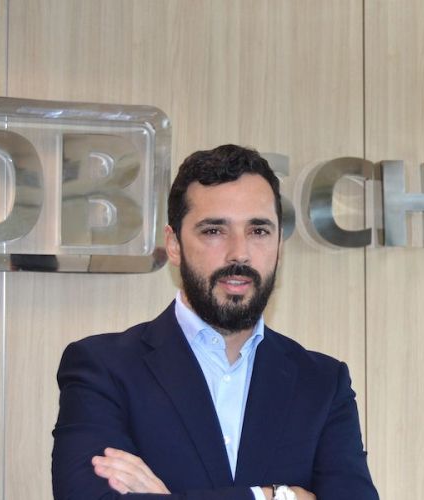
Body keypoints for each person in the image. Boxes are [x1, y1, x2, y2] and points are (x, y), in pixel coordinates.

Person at [51, 145, 379, 500]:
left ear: (279, 246)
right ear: (174, 245)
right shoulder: (103, 368)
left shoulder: (322, 384)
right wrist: (276, 496)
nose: (239, 253)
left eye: (259, 231)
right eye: (214, 231)